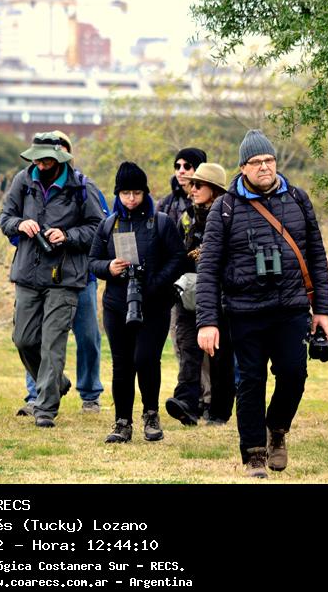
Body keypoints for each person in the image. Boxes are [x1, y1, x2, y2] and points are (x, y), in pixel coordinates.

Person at [196, 129, 328, 478]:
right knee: (251, 381)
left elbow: (317, 257)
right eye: (256, 162)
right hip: (245, 310)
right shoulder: (225, 208)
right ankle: (254, 453)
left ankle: (278, 429)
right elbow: (208, 268)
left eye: (269, 160)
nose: (264, 167)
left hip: (291, 307)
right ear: (242, 167)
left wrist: (322, 310)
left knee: (294, 374)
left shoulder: (298, 199)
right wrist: (207, 321)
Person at [0, 132, 105, 428]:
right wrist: (20, 224)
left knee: (52, 343)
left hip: (65, 277)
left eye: (46, 160)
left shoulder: (82, 186)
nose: (41, 165)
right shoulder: (23, 180)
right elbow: (4, 217)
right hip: (27, 274)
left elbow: (98, 228)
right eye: (37, 160)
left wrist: (67, 235)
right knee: (23, 339)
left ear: (59, 159)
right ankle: (56, 382)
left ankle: (45, 409)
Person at [89, 162, 185, 444]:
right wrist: (109, 267)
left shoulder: (161, 222)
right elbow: (92, 261)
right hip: (117, 304)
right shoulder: (108, 224)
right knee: (121, 364)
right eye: (125, 193)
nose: (131, 199)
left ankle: (151, 415)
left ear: (145, 192)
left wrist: (154, 284)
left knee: (146, 359)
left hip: (154, 304)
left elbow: (178, 258)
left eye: (137, 193)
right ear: (117, 194)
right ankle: (122, 422)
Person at [165, 162, 236, 427]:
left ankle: (219, 412)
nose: (191, 189)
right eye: (191, 184)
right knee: (188, 349)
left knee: (220, 355)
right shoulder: (186, 218)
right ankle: (186, 403)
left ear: (214, 190)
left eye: (198, 185)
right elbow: (177, 254)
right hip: (188, 294)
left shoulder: (230, 217)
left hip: (220, 295)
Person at [157, 146, 212, 419]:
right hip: (180, 285)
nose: (181, 171)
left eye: (187, 166)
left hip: (210, 285)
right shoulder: (166, 205)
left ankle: (211, 400)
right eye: (177, 166)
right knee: (183, 343)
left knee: (211, 347)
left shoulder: (219, 207)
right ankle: (190, 399)